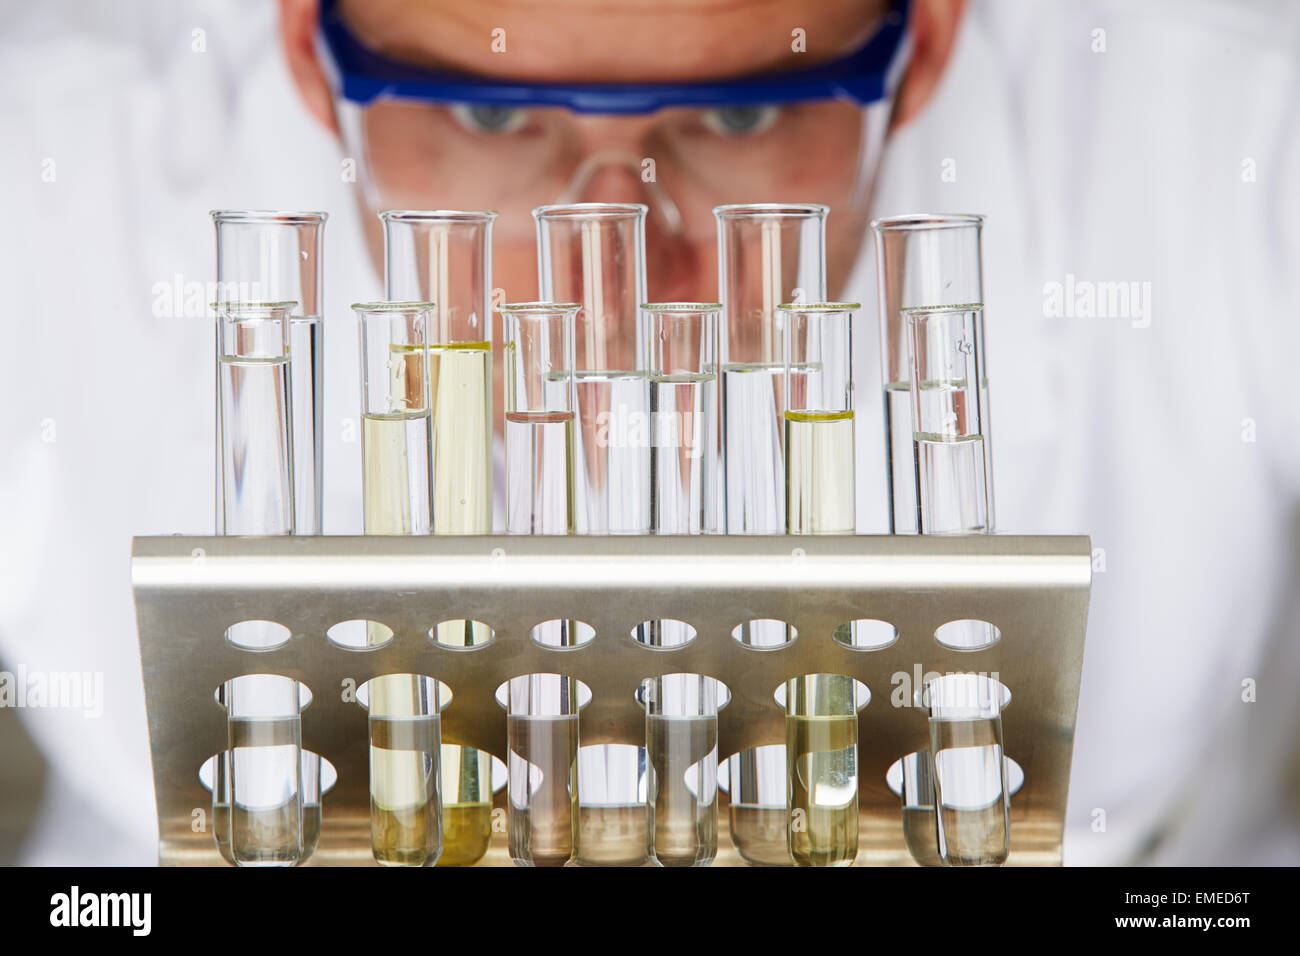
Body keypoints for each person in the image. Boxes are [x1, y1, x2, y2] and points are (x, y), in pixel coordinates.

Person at [0, 0, 1296, 865]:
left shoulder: (1223, 117)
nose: (610, 292)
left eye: (738, 118)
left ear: (928, 48)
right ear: (303, 51)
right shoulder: (51, 159)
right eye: (493, 118)